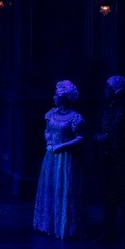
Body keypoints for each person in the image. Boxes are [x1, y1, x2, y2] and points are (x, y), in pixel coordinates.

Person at [33, 80, 86, 239]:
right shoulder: (51, 113)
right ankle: (48, 224)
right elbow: (47, 131)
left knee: (64, 189)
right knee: (50, 188)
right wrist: (49, 142)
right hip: (51, 157)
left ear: (64, 97)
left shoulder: (75, 117)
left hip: (65, 159)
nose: (54, 97)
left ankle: (64, 226)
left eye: (57, 94)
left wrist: (61, 146)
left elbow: (80, 137)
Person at [95, 75, 125, 242]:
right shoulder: (108, 106)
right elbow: (100, 127)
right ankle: (109, 231)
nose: (105, 91)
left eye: (108, 88)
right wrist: (98, 136)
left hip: (122, 157)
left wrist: (114, 140)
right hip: (107, 156)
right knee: (108, 195)